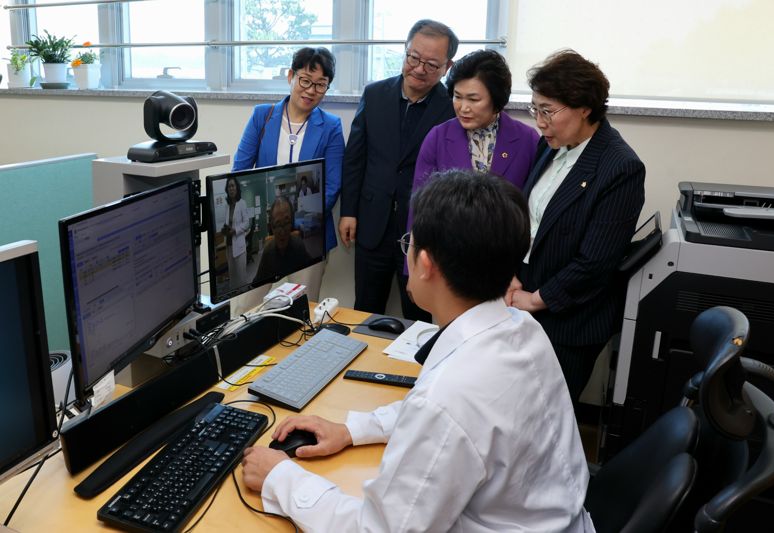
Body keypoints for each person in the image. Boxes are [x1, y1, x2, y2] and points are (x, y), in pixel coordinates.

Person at [241, 170, 594, 532]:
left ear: (425, 264)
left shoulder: (449, 395)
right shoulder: (521, 328)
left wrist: (280, 478)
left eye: (408, 241)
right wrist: (352, 430)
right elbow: (446, 420)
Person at [505, 49, 646, 404]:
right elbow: (529, 219)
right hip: (520, 295)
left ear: (584, 107)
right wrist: (509, 274)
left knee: (545, 422)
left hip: (567, 320)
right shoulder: (551, 145)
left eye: (548, 110)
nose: (539, 121)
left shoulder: (620, 168)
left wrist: (535, 300)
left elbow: (595, 262)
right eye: (534, 109)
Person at [339, 19, 458, 322]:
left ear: (447, 66)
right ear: (405, 51)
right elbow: (356, 157)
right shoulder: (375, 94)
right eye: (413, 58)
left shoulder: (451, 108)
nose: (419, 69)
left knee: (418, 315)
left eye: (431, 64)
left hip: (420, 232)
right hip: (371, 222)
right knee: (366, 308)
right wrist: (348, 211)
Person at [233, 47, 344, 302]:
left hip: (309, 236)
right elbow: (239, 173)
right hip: (261, 235)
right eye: (305, 80)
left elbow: (332, 185)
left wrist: (295, 224)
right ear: (290, 76)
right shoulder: (262, 116)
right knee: (245, 310)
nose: (310, 90)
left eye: (320, 84)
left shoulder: (331, 126)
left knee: (303, 311)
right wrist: (264, 222)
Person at [413, 49, 539, 191]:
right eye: (458, 97)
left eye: (473, 99)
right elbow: (420, 202)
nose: (464, 108)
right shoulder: (438, 137)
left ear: (497, 98)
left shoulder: (527, 139)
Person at [254, 196, 312, 283]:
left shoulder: (298, 245)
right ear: (272, 228)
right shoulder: (268, 252)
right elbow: (256, 284)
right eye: (277, 224)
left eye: (286, 222)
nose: (282, 232)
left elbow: (310, 270)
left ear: (292, 223)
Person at [220, 176, 250, 291]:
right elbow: (227, 223)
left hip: (239, 246)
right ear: (227, 189)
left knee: (241, 276)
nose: (231, 188)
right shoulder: (226, 206)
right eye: (229, 186)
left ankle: (243, 296)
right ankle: (234, 297)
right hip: (229, 245)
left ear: (236, 188)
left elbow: (247, 223)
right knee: (232, 275)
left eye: (233, 186)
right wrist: (225, 229)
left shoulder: (242, 203)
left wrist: (235, 230)